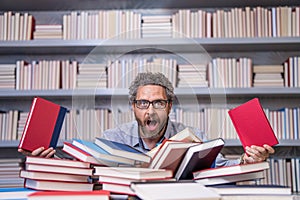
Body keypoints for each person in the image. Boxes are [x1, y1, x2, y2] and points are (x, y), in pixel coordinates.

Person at [19, 72, 274, 166]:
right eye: (143, 103)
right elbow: (87, 172)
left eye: (158, 103)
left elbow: (220, 167)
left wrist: (246, 159)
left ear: (169, 106)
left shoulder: (191, 136)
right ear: (133, 107)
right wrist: (49, 163)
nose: (150, 111)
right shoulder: (112, 138)